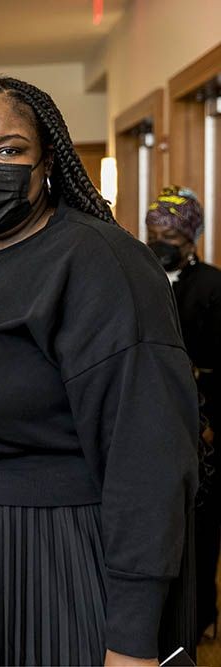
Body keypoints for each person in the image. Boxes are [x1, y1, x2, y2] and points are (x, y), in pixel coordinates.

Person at [0, 77, 199, 666]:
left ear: (46, 159)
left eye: (7, 149)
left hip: (57, 555)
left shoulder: (98, 261)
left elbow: (148, 456)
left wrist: (131, 640)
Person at [145, 185, 221, 639]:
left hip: (204, 420)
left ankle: (203, 616)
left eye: (170, 238)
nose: (161, 244)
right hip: (153, 419)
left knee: (204, 522)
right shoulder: (138, 274)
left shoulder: (214, 285)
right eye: (154, 233)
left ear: (191, 239)